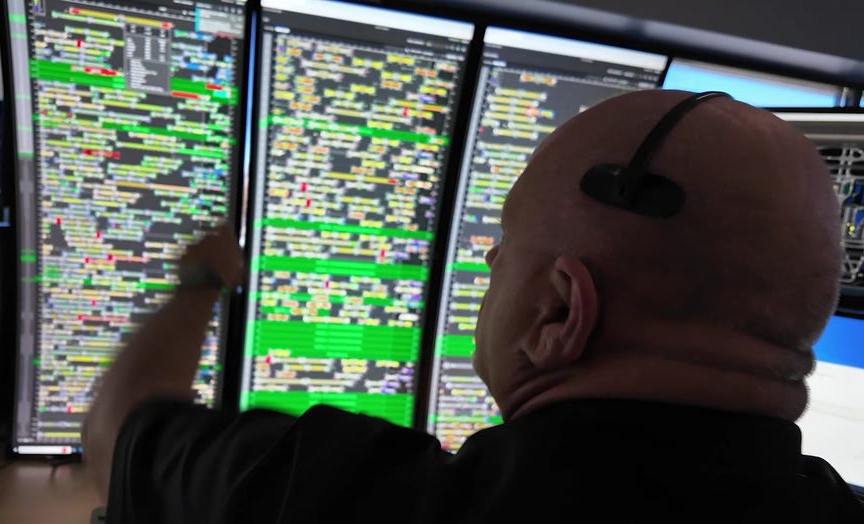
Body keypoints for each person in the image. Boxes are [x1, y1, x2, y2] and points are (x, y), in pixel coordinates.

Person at [82, 90, 864, 523]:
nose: (487, 274)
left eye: (499, 257)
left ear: (559, 314)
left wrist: (204, 279)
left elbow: (119, 434)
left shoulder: (343, 499)